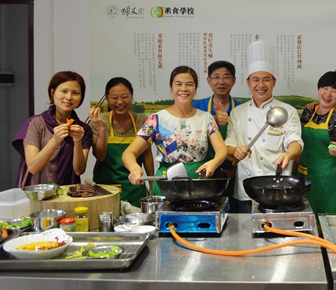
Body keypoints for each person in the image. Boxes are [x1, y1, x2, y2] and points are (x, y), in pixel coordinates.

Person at [123, 66, 227, 195]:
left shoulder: (205, 118)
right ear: (171, 87)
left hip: (198, 185)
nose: (184, 89)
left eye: (189, 84)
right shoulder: (157, 119)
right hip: (166, 185)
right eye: (178, 84)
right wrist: (134, 168)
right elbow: (129, 153)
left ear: (195, 88)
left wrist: (214, 163)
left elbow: (221, 149)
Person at [225, 40, 303, 213]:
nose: (261, 85)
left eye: (266, 79)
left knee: (278, 238)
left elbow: (295, 141)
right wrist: (235, 151)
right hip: (246, 189)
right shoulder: (237, 113)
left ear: (274, 81)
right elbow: (228, 146)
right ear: (248, 82)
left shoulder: (287, 111)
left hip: (278, 187)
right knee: (245, 237)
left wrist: (289, 154)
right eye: (256, 80)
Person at [13, 71, 93, 186]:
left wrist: (77, 142)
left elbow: (79, 170)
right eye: (64, 91)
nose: (69, 97)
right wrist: (55, 141)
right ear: (52, 92)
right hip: (36, 193)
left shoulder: (83, 129)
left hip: (67, 194)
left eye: (75, 93)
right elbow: (33, 167)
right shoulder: (35, 123)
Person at [88, 77, 155, 207]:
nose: (120, 102)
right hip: (106, 188)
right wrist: (101, 127)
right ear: (107, 98)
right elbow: (99, 156)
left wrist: (152, 185)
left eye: (125, 97)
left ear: (132, 96)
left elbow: (147, 156)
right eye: (114, 97)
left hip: (135, 188)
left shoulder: (142, 120)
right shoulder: (99, 122)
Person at [297, 71, 336, 214]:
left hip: (330, 180)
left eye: (334, 91)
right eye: (325, 88)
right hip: (305, 175)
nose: (328, 94)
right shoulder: (308, 111)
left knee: (328, 221)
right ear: (319, 89)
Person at [192, 61, 241, 211]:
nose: (221, 82)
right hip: (204, 173)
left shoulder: (241, 109)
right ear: (209, 81)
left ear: (234, 81)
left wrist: (236, 169)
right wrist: (212, 119)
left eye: (226, 77)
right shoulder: (197, 108)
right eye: (216, 77)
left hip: (234, 175)